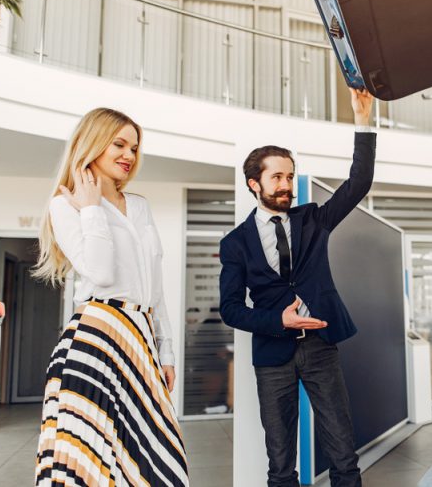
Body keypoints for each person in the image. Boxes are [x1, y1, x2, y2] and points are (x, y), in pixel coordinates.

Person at [219, 88, 375, 487]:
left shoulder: (313, 220)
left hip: (321, 350)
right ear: (255, 184)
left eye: (290, 175)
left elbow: (358, 183)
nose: (286, 184)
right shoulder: (235, 243)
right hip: (273, 356)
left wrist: (362, 122)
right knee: (281, 461)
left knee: (343, 453)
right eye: (277, 177)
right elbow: (231, 308)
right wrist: (279, 321)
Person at [32, 108, 189, 486]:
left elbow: (155, 287)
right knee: (88, 462)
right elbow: (99, 272)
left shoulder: (139, 205)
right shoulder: (65, 205)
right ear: (93, 145)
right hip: (96, 336)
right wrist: (91, 208)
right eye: (119, 144)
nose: (129, 155)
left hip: (140, 338)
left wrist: (164, 351)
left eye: (134, 148)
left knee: (158, 457)